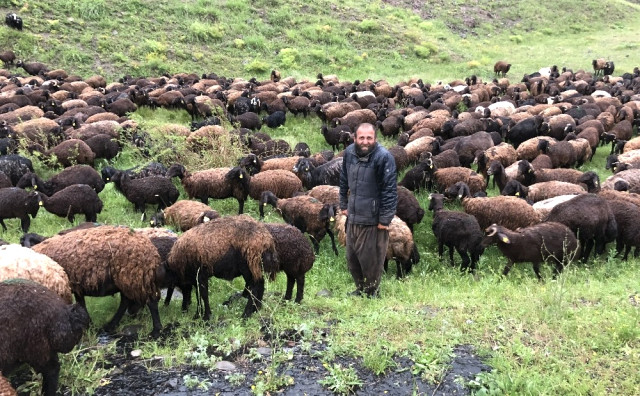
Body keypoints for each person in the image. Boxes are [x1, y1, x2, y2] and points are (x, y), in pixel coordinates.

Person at [339, 123, 397, 297]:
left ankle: (372, 292)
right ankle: (360, 288)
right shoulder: (349, 153)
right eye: (361, 138)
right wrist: (343, 204)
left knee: (371, 260)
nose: (365, 141)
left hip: (373, 219)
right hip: (354, 215)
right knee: (353, 258)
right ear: (355, 138)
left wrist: (384, 219)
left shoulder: (383, 157)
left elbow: (390, 190)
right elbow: (343, 179)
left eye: (369, 138)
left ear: (375, 139)